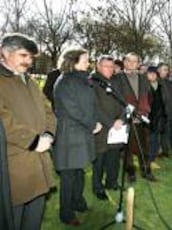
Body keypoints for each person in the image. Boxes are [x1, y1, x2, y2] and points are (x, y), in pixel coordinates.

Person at [0, 33, 55, 230]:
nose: (29, 62)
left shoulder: (29, 80)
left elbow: (48, 109)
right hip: (14, 166)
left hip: (39, 164)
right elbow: (4, 121)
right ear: (5, 53)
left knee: (34, 220)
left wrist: (48, 134)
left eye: (31, 57)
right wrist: (33, 141)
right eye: (24, 55)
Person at [53, 48, 102, 225]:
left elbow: (90, 104)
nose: (88, 63)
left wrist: (94, 120)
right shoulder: (65, 81)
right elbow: (72, 109)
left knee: (79, 171)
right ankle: (66, 213)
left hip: (82, 132)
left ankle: (77, 202)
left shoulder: (83, 79)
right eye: (85, 60)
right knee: (68, 176)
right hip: (70, 134)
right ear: (73, 61)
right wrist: (91, 124)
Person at [90, 55, 124, 200]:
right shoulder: (92, 82)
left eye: (111, 67)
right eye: (106, 66)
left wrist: (122, 119)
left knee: (114, 157)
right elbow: (94, 107)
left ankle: (112, 182)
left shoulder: (116, 81)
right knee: (99, 159)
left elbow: (123, 101)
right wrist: (111, 122)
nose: (109, 69)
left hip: (117, 127)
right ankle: (98, 187)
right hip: (101, 127)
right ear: (98, 66)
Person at [115, 53, 151, 182]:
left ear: (138, 64)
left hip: (142, 118)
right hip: (126, 118)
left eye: (135, 61)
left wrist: (145, 111)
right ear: (124, 62)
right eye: (129, 61)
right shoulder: (117, 78)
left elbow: (148, 97)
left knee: (144, 147)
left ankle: (147, 171)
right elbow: (116, 100)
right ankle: (130, 173)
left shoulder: (143, 78)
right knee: (127, 149)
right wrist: (123, 116)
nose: (131, 64)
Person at [146, 66, 166, 180]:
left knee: (155, 140)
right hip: (149, 117)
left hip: (158, 117)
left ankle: (152, 159)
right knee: (149, 140)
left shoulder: (159, 86)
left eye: (154, 74)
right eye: (150, 73)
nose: (153, 76)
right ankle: (147, 161)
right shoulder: (145, 86)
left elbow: (161, 102)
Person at [158, 63, 172, 157]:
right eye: (164, 69)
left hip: (168, 111)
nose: (166, 71)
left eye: (167, 70)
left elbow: (171, 96)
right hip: (159, 112)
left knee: (166, 132)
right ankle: (158, 151)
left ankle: (166, 151)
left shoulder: (168, 82)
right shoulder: (155, 81)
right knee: (158, 133)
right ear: (159, 70)